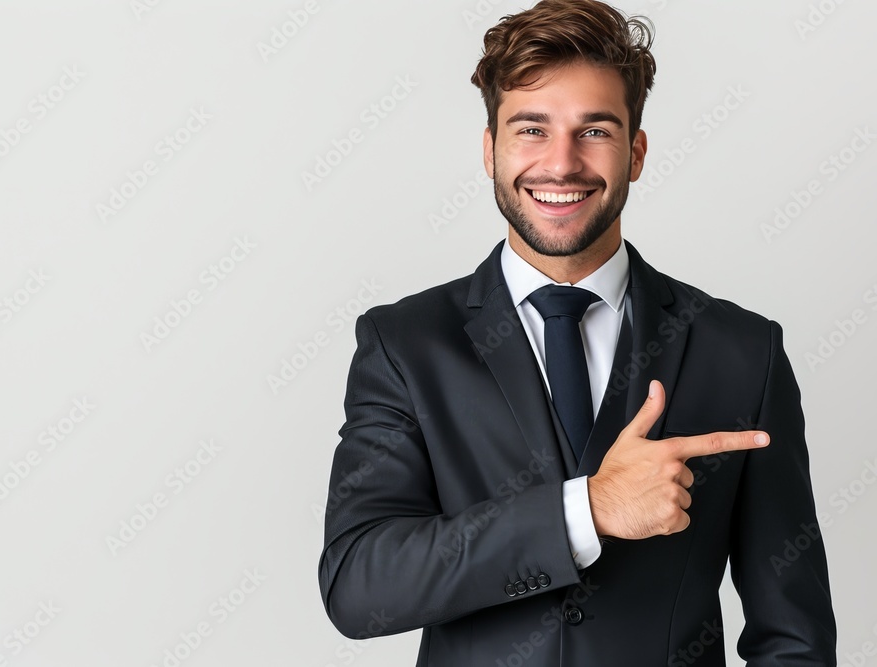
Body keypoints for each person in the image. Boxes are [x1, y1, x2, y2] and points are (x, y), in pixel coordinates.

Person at [318, 1, 836, 664]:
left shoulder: (742, 352)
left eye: (594, 130)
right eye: (532, 129)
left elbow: (794, 637)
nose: (561, 164)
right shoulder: (404, 345)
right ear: (490, 150)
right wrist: (587, 510)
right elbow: (359, 583)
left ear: (636, 152)